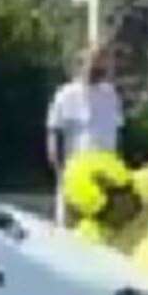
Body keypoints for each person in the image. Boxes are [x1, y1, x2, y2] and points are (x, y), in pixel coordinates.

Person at [46, 45, 124, 224]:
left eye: (101, 67)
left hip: (105, 177)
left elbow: (117, 134)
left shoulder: (110, 95)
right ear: (80, 65)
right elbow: (53, 136)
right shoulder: (65, 96)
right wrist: (60, 173)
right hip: (75, 175)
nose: (97, 71)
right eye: (93, 66)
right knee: (69, 228)